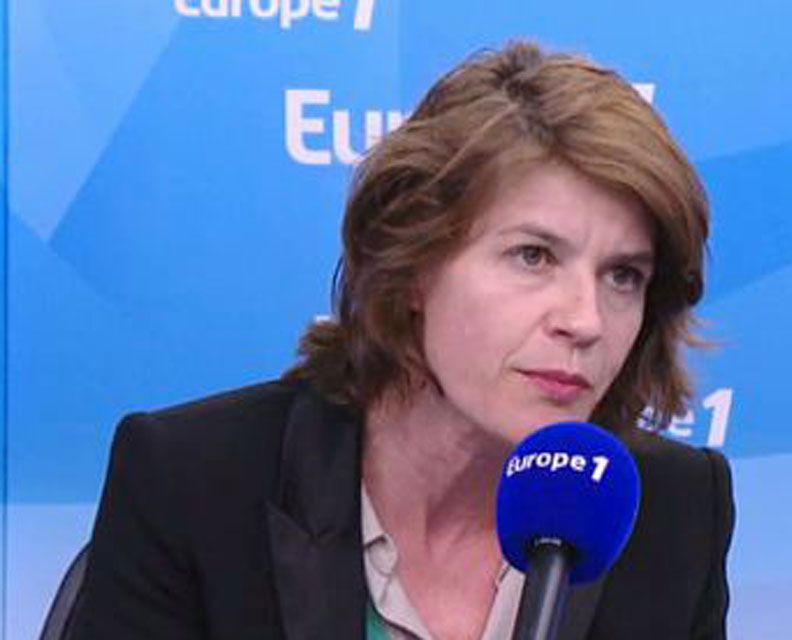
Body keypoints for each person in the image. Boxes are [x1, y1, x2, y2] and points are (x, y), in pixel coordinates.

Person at [68, 41, 734, 640]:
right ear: (413, 263)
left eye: (623, 275)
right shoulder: (196, 484)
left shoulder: (675, 510)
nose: (585, 320)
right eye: (533, 256)